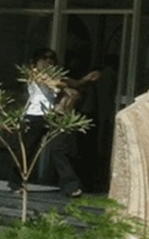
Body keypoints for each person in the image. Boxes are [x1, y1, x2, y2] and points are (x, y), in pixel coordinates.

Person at [7, 48, 100, 197]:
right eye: (44, 58)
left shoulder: (57, 76)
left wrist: (86, 80)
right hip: (35, 115)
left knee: (58, 149)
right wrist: (68, 87)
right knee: (28, 149)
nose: (48, 61)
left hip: (53, 115)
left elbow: (73, 83)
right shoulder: (34, 73)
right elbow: (53, 83)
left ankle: (71, 186)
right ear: (36, 61)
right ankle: (15, 182)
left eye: (52, 58)